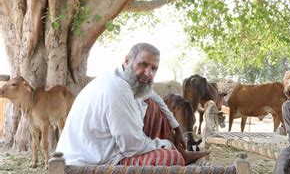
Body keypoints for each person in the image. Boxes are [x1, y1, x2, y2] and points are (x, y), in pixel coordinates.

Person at [57, 42, 209, 167]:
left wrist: (176, 127)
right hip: (94, 159)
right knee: (173, 158)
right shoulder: (119, 89)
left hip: (92, 148)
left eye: (153, 68)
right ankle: (180, 154)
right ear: (127, 60)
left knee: (152, 106)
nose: (148, 73)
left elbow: (154, 97)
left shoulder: (122, 79)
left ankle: (181, 152)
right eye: (143, 64)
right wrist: (165, 144)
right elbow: (131, 147)